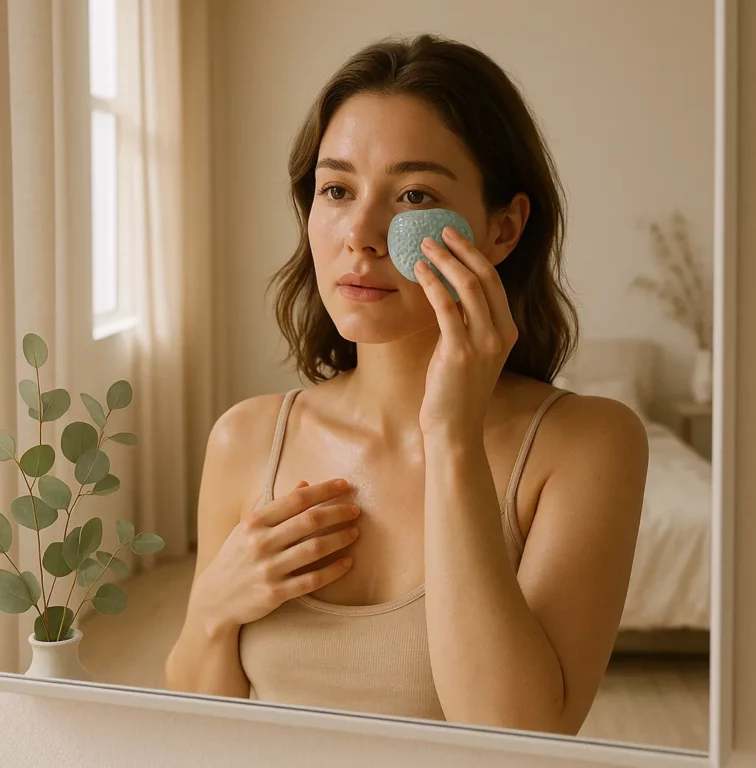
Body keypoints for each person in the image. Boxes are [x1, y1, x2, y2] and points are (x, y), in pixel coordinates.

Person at [165, 33, 648, 736]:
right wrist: (214, 610)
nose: (359, 233)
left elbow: (517, 735)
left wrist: (451, 436)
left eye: (414, 195)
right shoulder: (244, 438)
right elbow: (193, 725)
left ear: (504, 228)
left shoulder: (587, 446)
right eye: (336, 190)